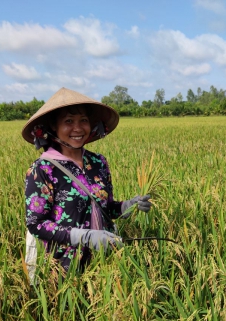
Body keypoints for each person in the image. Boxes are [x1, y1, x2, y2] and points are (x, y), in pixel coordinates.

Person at [22, 87, 152, 272]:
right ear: (53, 126)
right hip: (63, 267)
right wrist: (84, 236)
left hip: (104, 259)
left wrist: (128, 206)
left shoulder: (98, 162)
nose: (78, 128)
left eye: (83, 120)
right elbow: (36, 224)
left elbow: (105, 207)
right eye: (68, 121)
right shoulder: (42, 169)